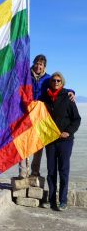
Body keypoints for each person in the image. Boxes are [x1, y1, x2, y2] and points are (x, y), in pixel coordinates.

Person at [18, 55, 75, 178]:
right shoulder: (25, 76)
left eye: (41, 64)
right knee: (22, 142)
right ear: (33, 64)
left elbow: (59, 87)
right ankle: (22, 171)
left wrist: (71, 92)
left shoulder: (48, 79)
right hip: (24, 113)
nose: (38, 66)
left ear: (44, 66)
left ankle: (35, 171)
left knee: (38, 144)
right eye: (37, 63)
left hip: (40, 114)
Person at [43, 72, 81, 211]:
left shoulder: (68, 97)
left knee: (63, 170)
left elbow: (77, 119)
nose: (56, 82)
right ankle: (52, 200)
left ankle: (63, 201)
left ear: (62, 82)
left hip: (65, 141)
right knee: (51, 171)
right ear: (50, 82)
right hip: (50, 140)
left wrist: (68, 132)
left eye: (59, 80)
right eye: (53, 80)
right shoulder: (45, 98)